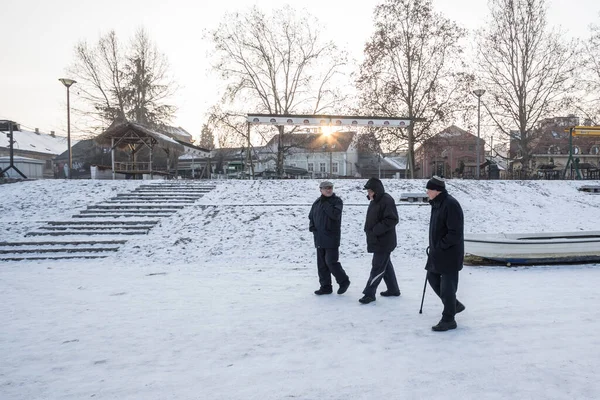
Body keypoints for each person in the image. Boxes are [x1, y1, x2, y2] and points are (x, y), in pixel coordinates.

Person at [425, 176, 466, 332]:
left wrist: (440, 246)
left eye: (429, 189)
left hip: (449, 254)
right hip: (438, 252)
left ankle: (449, 319)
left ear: (437, 190)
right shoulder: (437, 204)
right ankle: (454, 305)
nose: (427, 192)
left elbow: (455, 233)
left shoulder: (450, 204)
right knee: (432, 277)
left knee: (448, 288)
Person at [359, 178, 400, 304]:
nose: (368, 193)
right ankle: (393, 289)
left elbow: (392, 219)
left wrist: (376, 230)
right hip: (378, 240)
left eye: (370, 191)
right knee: (385, 265)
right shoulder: (375, 201)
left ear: (376, 190)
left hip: (384, 241)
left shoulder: (386, 200)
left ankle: (369, 293)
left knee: (377, 267)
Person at [308, 181, 350, 295]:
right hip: (319, 237)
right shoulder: (317, 202)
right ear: (320, 190)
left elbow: (334, 215)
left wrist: (326, 203)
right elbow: (311, 216)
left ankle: (344, 281)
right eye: (326, 188)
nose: (328, 190)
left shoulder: (337, 201)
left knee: (331, 262)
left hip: (332, 237)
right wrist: (312, 227)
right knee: (321, 264)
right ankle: (325, 286)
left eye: (330, 188)